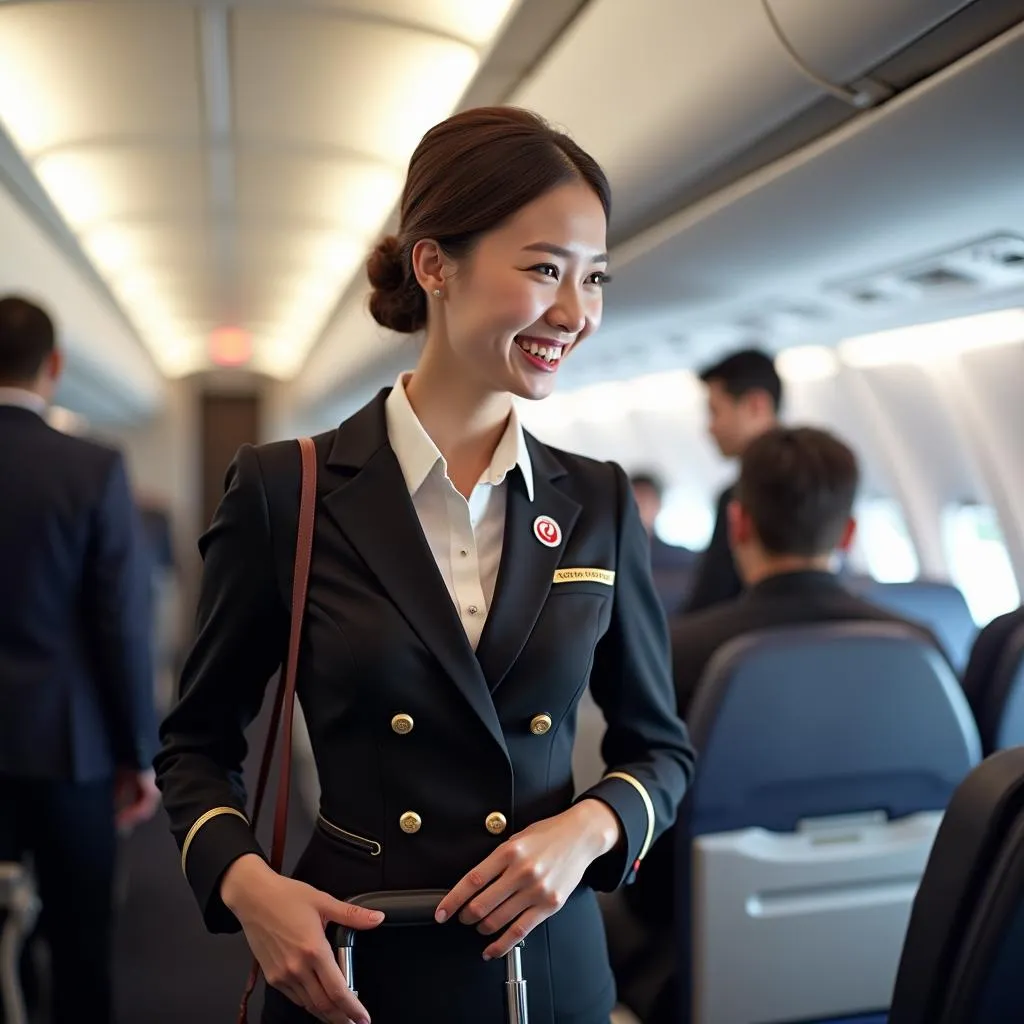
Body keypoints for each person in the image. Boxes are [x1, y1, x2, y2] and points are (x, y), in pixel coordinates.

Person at [154, 107, 696, 1024]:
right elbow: (196, 746)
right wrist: (250, 888)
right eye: (543, 270)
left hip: (550, 963)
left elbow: (662, 753)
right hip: (357, 961)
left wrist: (587, 828)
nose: (576, 312)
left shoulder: (598, 501)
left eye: (594, 277)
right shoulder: (288, 490)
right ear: (435, 265)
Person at [625, 426, 946, 926]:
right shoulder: (920, 647)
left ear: (738, 524)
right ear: (848, 533)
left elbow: (647, 825)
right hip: (901, 929)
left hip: (705, 937)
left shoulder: (677, 650)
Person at [0, 295, 160, 1024]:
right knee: (80, 947)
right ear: (55, 367)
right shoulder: (90, 467)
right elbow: (121, 625)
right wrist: (138, 754)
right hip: (70, 748)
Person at [683, 348, 781, 614]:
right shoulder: (823, 479)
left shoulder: (739, 496)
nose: (710, 427)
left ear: (755, 405)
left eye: (715, 411)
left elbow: (711, 599)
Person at [629, 472, 698, 612]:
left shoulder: (684, 560)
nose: (637, 508)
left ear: (658, 505)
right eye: (632, 501)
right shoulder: (607, 558)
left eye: (644, 500)